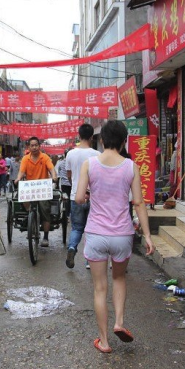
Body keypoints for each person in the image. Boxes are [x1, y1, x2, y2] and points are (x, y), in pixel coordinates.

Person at [75, 120, 155, 354]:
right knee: (119, 279)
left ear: (101, 140)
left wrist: (90, 194)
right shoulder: (131, 166)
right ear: (123, 141)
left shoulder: (89, 164)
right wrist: (148, 235)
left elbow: (79, 198)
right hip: (122, 234)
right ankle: (119, 322)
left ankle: (104, 341)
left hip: (97, 233)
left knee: (100, 288)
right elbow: (138, 203)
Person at [65, 123, 101, 269]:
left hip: (76, 196)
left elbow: (69, 175)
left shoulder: (71, 154)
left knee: (77, 228)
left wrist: (76, 185)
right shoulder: (97, 155)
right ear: (92, 136)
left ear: (79, 136)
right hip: (93, 198)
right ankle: (88, 261)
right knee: (92, 229)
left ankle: (72, 248)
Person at [14, 137, 57, 247]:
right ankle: (30, 217)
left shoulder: (45, 157)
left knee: (45, 210)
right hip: (29, 188)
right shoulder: (25, 159)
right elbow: (21, 171)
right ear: (29, 147)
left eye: (36, 145)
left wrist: (54, 175)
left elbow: (51, 168)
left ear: (39, 146)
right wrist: (18, 178)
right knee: (22, 197)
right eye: (32, 145)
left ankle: (46, 237)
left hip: (43, 189)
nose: (34, 147)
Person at [55, 152, 71, 217]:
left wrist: (57, 186)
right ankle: (69, 213)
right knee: (70, 199)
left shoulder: (61, 163)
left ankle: (66, 214)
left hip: (64, 184)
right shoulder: (71, 163)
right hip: (71, 184)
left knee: (66, 199)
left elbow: (58, 175)